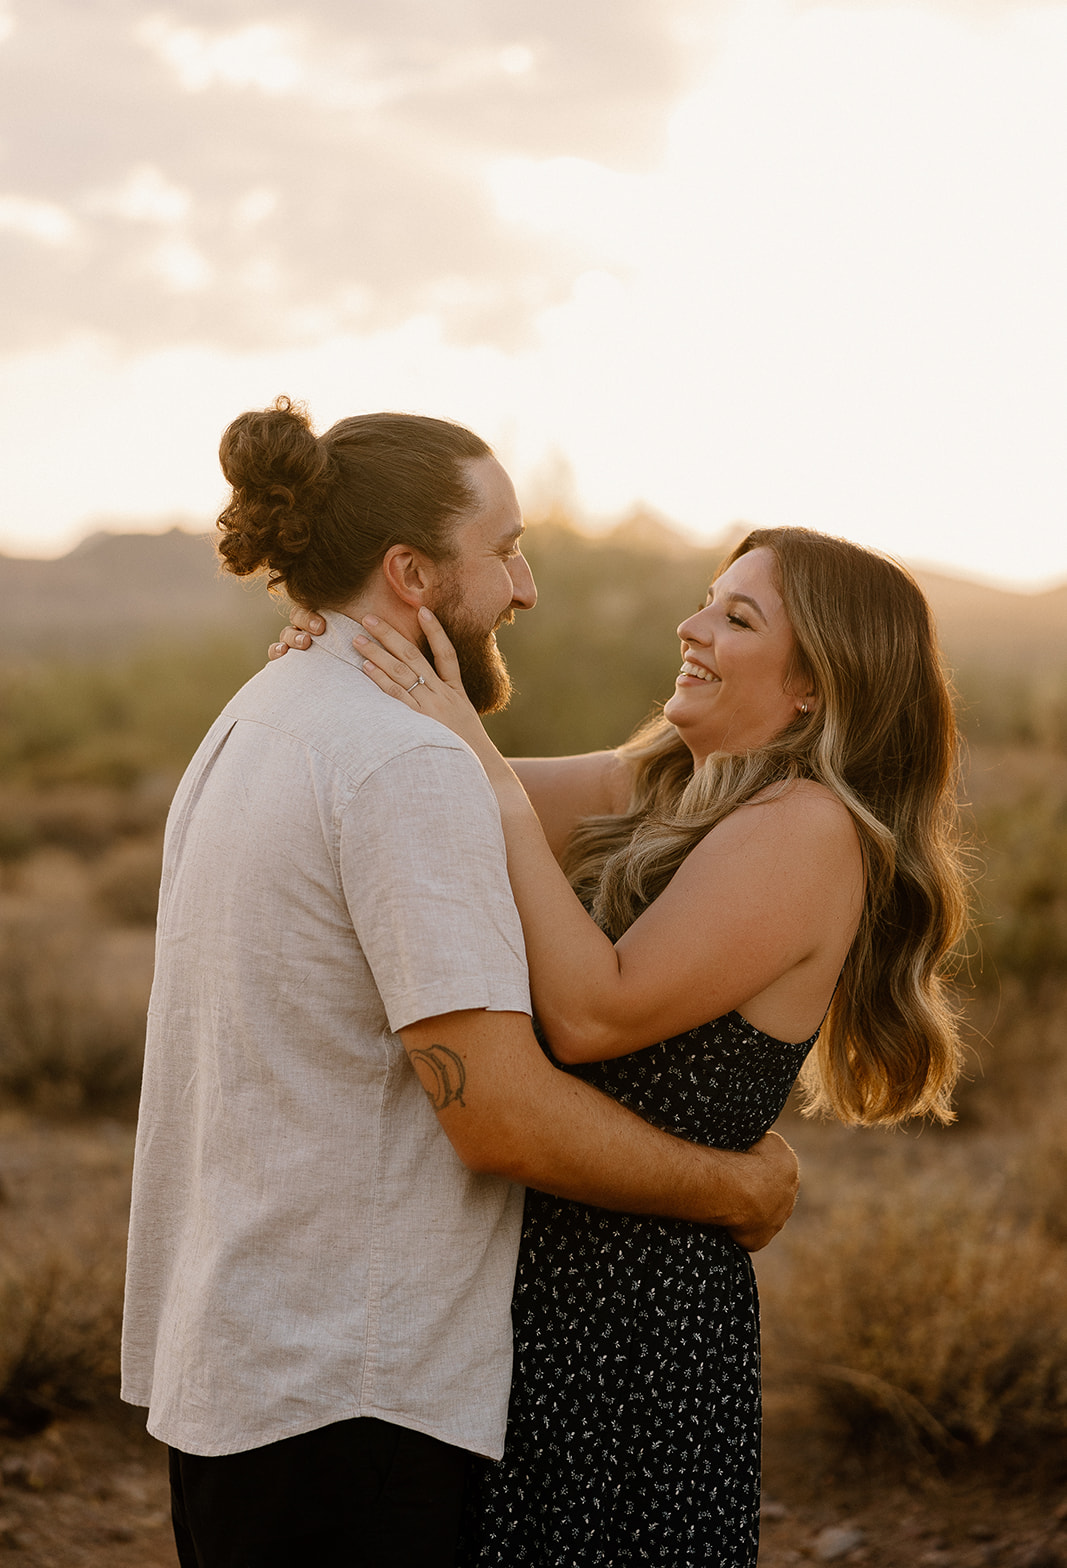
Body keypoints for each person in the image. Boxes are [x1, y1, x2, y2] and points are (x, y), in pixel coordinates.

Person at [120, 397, 800, 1568]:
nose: (526, 587)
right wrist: (733, 1190)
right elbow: (492, 1112)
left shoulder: (262, 716)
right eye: (504, 550)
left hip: (240, 1366)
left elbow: (598, 792)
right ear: (412, 575)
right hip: (357, 1394)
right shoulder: (400, 763)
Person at [280, 522, 968, 1565]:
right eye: (705, 598)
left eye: (735, 617)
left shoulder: (806, 829)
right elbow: (436, 785)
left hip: (636, 1324)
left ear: (814, 688)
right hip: (535, 1295)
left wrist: (488, 775)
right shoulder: (658, 788)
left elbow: (593, 1012)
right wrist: (339, 657)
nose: (689, 626)